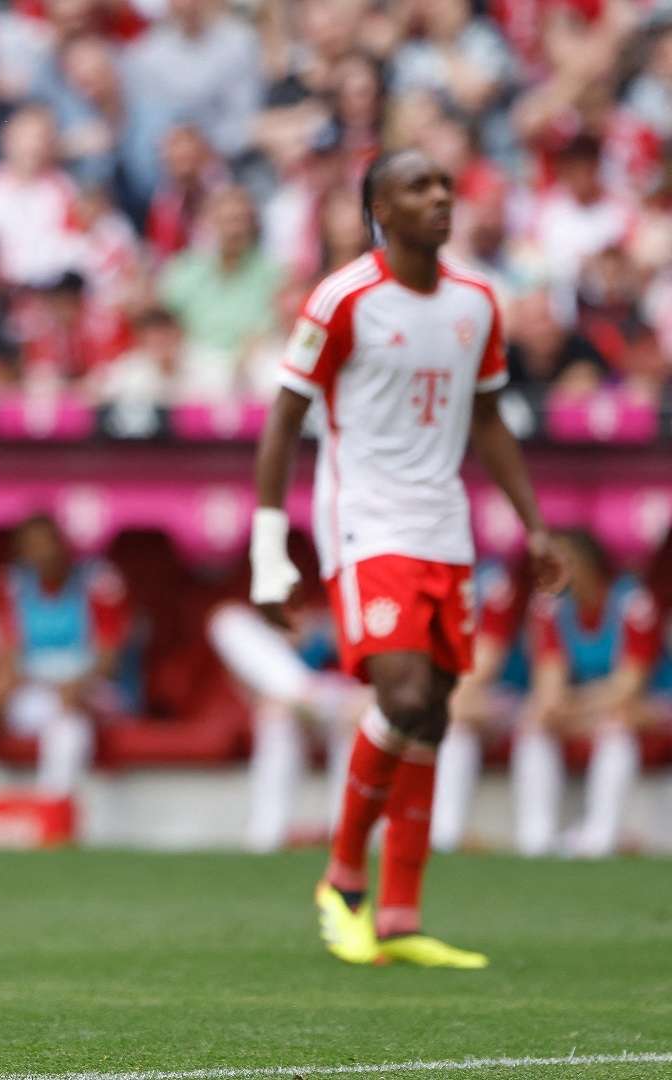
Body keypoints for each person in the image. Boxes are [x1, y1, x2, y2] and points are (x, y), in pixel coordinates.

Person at [252, 148, 564, 971]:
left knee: (432, 713)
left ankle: (400, 915)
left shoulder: (476, 303)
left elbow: (490, 420)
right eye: (417, 187)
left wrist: (533, 526)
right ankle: (342, 880)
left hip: (443, 525)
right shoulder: (344, 297)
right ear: (378, 210)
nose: (438, 198)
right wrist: (267, 550)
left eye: (444, 186)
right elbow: (284, 419)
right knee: (404, 687)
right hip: (364, 518)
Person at [0, 515, 130, 837]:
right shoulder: (12, 584)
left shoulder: (99, 582)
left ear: (64, 545)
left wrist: (76, 686)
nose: (43, 553)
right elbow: (9, 652)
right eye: (32, 546)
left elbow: (109, 657)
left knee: (68, 722)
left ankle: (53, 818)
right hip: (31, 690)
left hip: (90, 690)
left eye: (48, 542)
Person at [510, 532, 664, 858]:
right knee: (537, 721)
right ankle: (535, 838)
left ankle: (600, 835)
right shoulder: (550, 606)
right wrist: (561, 710)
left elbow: (628, 686)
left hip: (643, 706)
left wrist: (577, 709)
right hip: (586, 710)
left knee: (618, 721)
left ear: (587, 564)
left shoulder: (632, 603)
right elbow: (549, 684)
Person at [207, 594, 368, 854]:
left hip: (349, 694)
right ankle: (267, 836)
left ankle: (347, 836)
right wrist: (287, 632)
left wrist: (322, 630)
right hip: (300, 695)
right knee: (228, 622)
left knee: (354, 722)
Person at [429, 558, 526, 854]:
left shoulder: (491, 581)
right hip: (438, 694)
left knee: (455, 722)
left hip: (500, 695)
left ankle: (446, 832)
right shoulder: (414, 576)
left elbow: (486, 662)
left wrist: (443, 699)